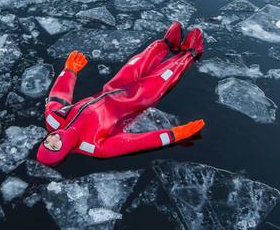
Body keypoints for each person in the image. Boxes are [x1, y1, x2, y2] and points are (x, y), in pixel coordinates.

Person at [37, 22, 205, 166]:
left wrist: (69, 71)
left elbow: (58, 95)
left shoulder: (53, 119)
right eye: (53, 146)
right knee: (165, 75)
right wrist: (174, 135)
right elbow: (137, 143)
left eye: (47, 141)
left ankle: (167, 43)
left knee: (136, 63)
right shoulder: (94, 146)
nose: (53, 139)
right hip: (137, 101)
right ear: (63, 152)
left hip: (113, 88)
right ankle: (190, 52)